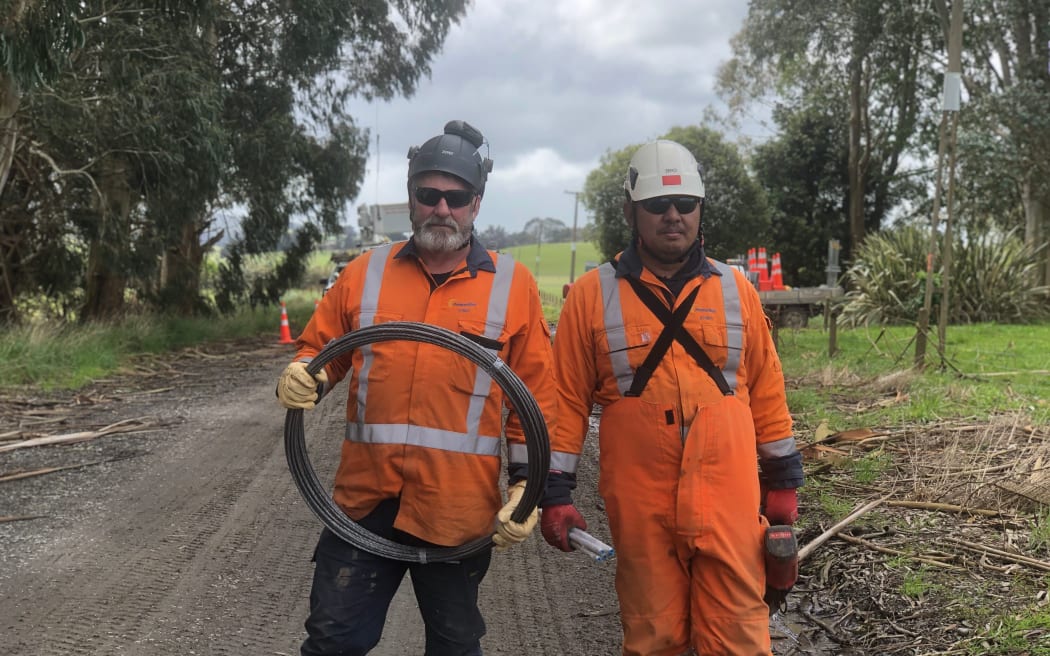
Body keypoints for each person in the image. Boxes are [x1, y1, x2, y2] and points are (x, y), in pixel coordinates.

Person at [276, 120, 559, 656]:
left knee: (455, 646)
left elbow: (533, 403)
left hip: (455, 511)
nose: (441, 209)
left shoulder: (512, 287)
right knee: (332, 641)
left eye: (456, 197)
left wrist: (527, 485)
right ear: (411, 198)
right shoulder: (366, 272)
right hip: (364, 502)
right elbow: (320, 353)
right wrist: (304, 371)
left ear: (476, 204)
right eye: (428, 194)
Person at [540, 139, 804, 655]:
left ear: (701, 210)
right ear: (631, 212)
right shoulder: (593, 296)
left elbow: (767, 393)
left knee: (739, 635)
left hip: (728, 499)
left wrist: (783, 482)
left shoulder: (736, 290)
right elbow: (564, 401)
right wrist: (554, 492)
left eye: (685, 204)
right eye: (657, 205)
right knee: (654, 634)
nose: (672, 216)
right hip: (641, 501)